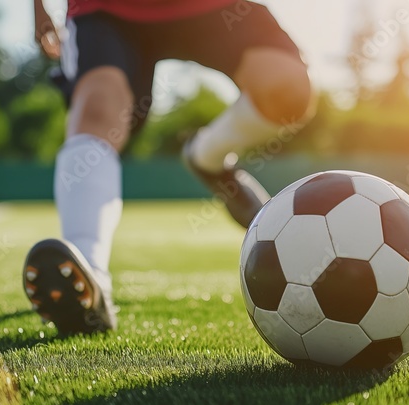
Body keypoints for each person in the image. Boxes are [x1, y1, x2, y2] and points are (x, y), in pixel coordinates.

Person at [23, 0, 314, 334]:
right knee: (100, 109)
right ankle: (89, 279)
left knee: (288, 89)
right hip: (105, 9)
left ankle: (206, 156)